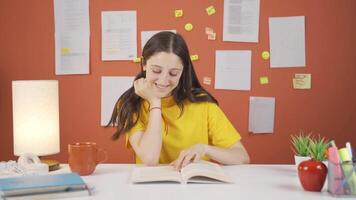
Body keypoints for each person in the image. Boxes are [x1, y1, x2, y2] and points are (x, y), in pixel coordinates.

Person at [107, 31, 250, 169]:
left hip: (194, 187)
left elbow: (242, 157)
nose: (164, 80)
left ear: (183, 71)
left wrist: (204, 149)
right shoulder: (131, 104)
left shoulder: (203, 104)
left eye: (173, 73)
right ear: (144, 64)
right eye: (156, 70)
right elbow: (150, 159)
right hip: (151, 189)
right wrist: (155, 102)